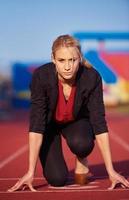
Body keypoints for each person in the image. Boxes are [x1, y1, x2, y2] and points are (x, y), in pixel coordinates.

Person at [8, 34, 129, 192]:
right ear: (53, 59)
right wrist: (30, 172)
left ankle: (82, 157)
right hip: (49, 127)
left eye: (72, 60)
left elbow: (99, 122)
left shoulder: (91, 77)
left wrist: (111, 171)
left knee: (82, 144)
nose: (67, 67)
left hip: (76, 121)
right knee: (57, 179)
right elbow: (37, 123)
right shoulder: (41, 76)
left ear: (80, 58)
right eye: (61, 60)